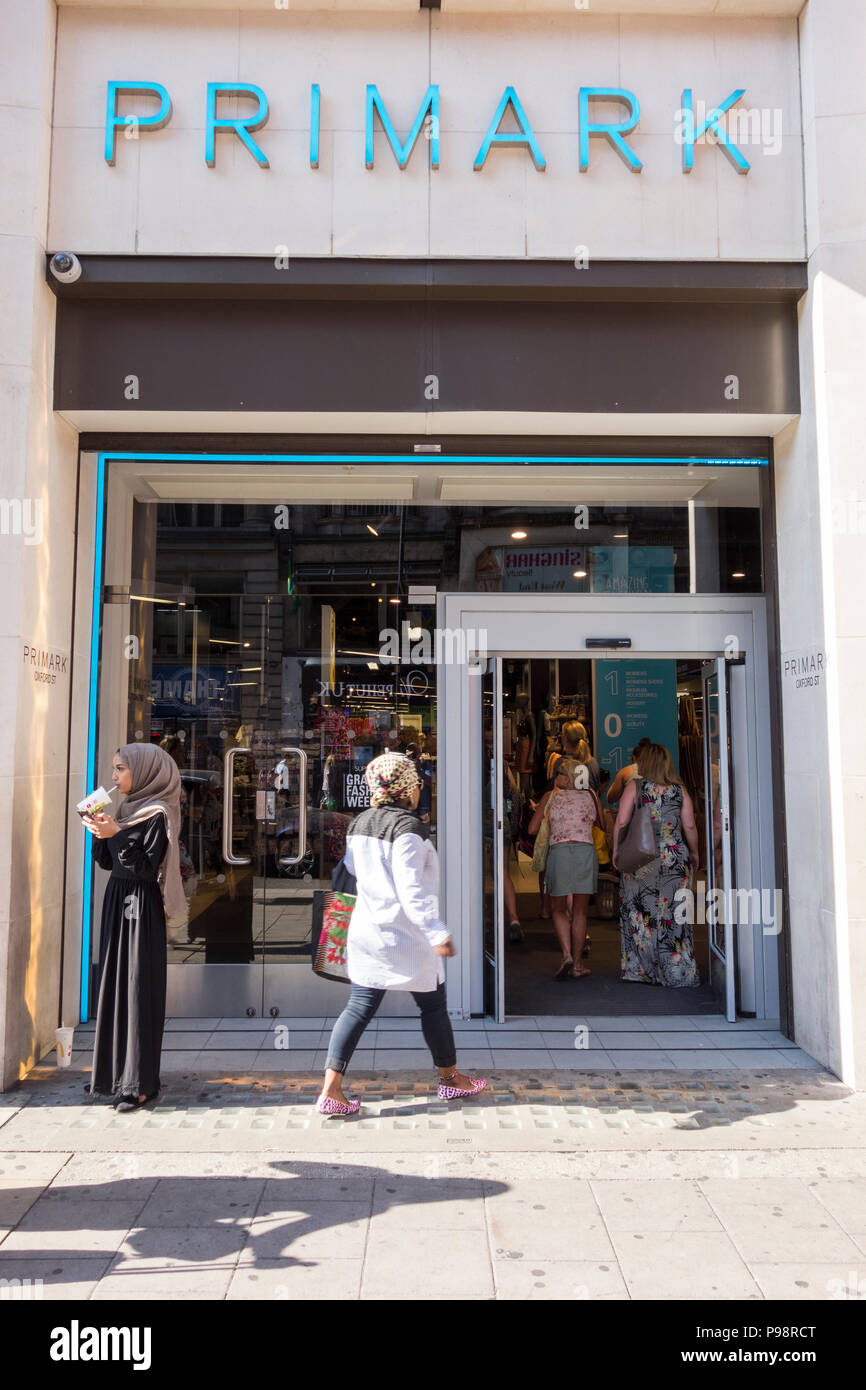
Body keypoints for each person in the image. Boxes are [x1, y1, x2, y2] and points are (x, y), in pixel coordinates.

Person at [317, 751, 487, 1116]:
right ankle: (451, 1079)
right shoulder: (409, 829)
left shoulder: (359, 823)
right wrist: (437, 931)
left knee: (359, 1008)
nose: (419, 790)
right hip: (406, 937)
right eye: (417, 783)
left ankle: (331, 1089)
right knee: (433, 1006)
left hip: (367, 931)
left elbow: (350, 871)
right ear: (405, 788)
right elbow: (412, 890)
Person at [83, 743, 187, 1111]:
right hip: (118, 901)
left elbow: (146, 869)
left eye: (120, 769)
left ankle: (140, 1084)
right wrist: (100, 832)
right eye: (114, 769)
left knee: (137, 988)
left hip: (140, 908)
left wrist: (117, 834)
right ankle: (112, 1076)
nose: (114, 777)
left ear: (142, 772)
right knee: (114, 984)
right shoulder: (126, 810)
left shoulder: (157, 813)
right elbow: (109, 865)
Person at [613, 741, 701, 988]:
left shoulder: (635, 787)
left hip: (642, 858)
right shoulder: (679, 790)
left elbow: (621, 822)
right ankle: (676, 970)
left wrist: (616, 850)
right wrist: (694, 853)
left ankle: (642, 969)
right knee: (675, 915)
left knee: (640, 913)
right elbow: (690, 825)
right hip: (674, 858)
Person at [528, 756, 603, 980]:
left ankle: (567, 955)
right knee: (580, 911)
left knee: (558, 908)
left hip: (560, 853)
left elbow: (532, 829)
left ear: (569, 777)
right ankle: (578, 965)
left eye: (560, 773)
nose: (556, 777)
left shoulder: (551, 796)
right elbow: (601, 824)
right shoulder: (591, 795)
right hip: (585, 852)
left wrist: (542, 814)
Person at [606, 738, 651, 807]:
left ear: (634, 757)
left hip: (633, 814)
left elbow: (611, 798)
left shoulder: (625, 771)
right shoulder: (660, 771)